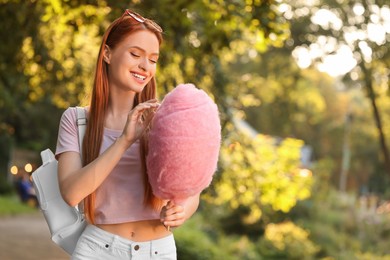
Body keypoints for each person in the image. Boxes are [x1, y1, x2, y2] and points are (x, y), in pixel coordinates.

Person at [56, 9, 200, 260]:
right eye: (135, 54)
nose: (145, 66)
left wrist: (182, 211)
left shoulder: (166, 120)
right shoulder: (77, 120)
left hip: (158, 252)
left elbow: (191, 191)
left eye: (153, 59)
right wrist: (124, 141)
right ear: (108, 54)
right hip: (97, 250)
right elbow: (71, 193)